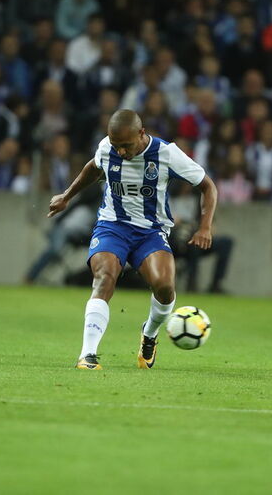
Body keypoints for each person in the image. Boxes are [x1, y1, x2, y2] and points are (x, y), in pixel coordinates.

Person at [47, 109, 218, 370]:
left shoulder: (166, 153)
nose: (122, 152)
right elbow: (93, 168)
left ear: (142, 133)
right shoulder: (108, 148)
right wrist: (66, 196)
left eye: (126, 146)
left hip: (151, 232)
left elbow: (207, 185)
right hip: (112, 226)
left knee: (164, 287)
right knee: (104, 277)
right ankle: (87, 354)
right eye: (117, 146)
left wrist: (205, 226)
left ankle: (149, 333)